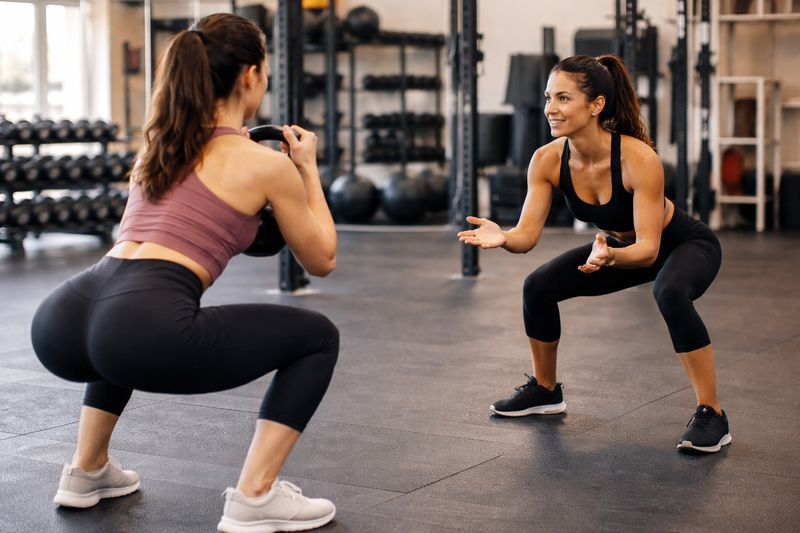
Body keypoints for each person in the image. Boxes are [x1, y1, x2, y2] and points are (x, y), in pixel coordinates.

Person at [30, 13, 339, 532]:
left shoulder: (159, 147)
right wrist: (306, 168)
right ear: (250, 75)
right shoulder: (264, 164)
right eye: (264, 69)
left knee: (121, 330)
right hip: (137, 324)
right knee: (318, 337)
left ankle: (86, 471)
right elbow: (322, 258)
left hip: (64, 318)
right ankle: (256, 497)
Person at [458, 55, 730, 454]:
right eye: (549, 97)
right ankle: (545, 390)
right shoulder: (548, 159)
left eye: (564, 98)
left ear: (596, 105)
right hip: (617, 249)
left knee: (669, 292)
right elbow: (527, 237)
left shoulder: (638, 158)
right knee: (538, 286)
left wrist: (610, 258)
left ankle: (712, 414)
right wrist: (504, 237)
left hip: (684, 244)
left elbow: (649, 249)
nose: (551, 108)